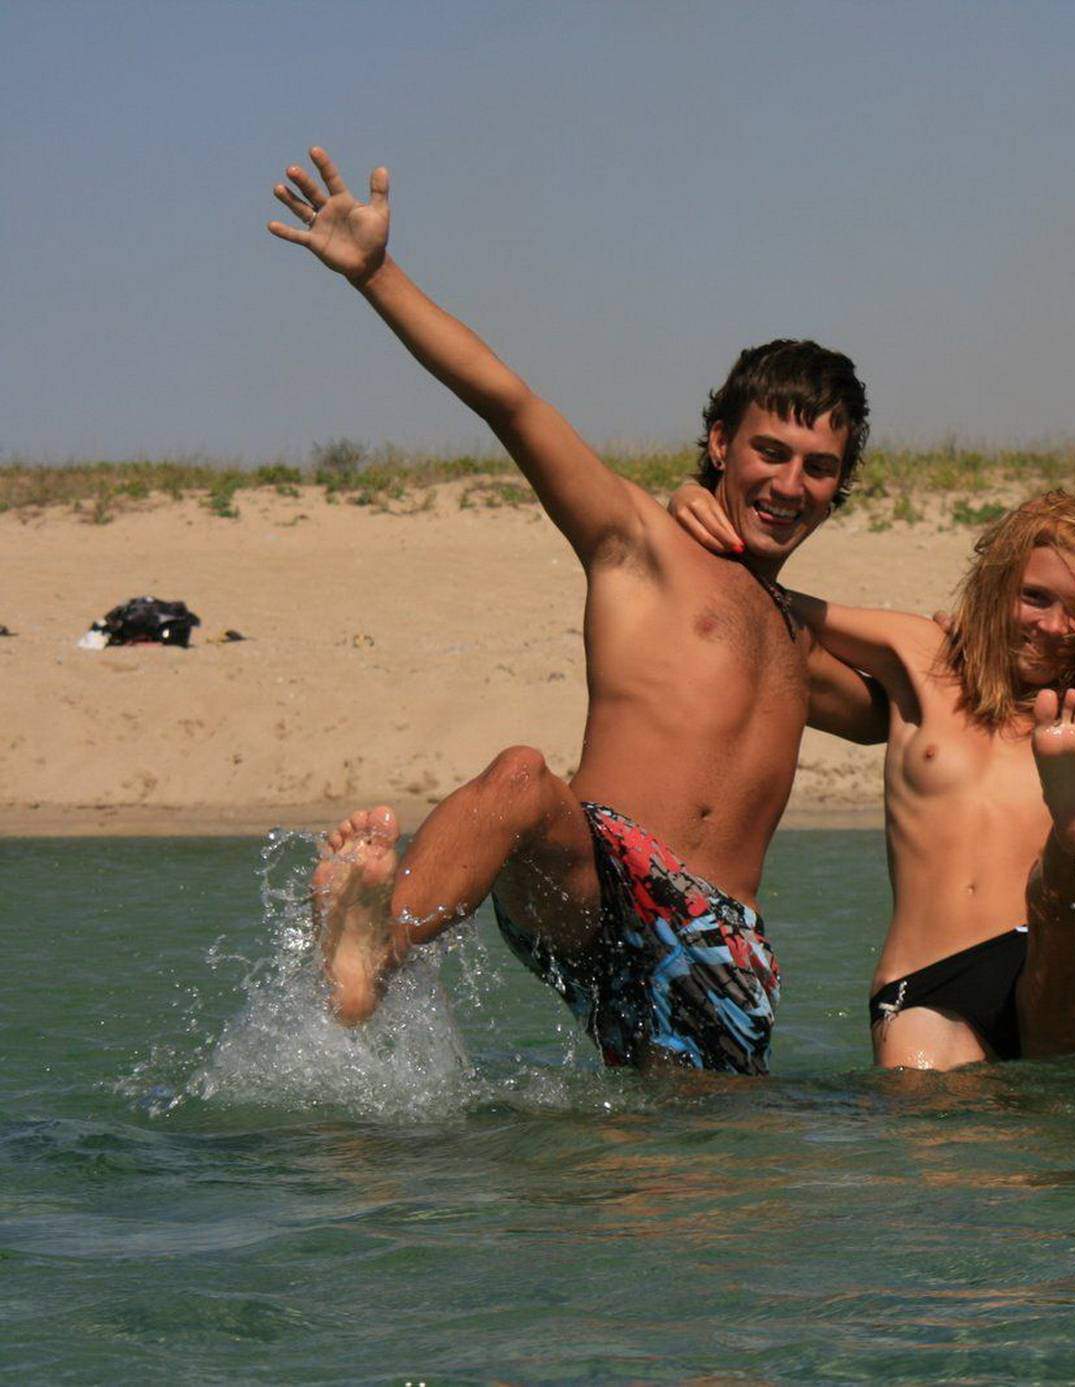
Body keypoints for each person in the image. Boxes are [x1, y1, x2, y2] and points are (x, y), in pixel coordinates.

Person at [269, 146, 885, 1074]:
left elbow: (911, 705)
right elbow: (508, 401)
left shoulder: (800, 641)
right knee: (522, 777)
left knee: (704, 1154)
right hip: (594, 882)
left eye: (820, 467)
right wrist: (376, 274)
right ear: (721, 443)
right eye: (770, 452)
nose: (790, 484)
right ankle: (372, 950)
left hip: (715, 946)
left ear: (840, 486)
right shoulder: (638, 540)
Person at [671, 488, 1075, 1068]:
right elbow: (758, 604)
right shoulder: (925, 655)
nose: (1055, 626)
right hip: (927, 978)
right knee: (927, 1112)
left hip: (1055, 962)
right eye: (1034, 597)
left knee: (1062, 888)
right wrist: (689, 503)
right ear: (997, 586)